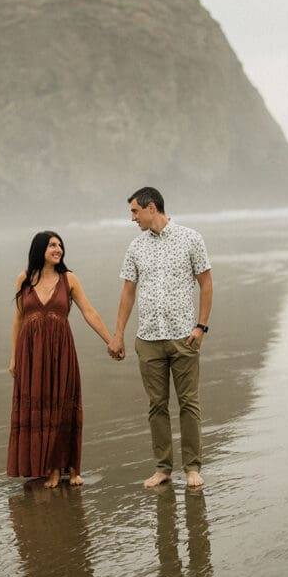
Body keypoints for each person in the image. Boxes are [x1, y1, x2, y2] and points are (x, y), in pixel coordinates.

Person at [107, 187, 213, 489]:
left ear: (151, 208)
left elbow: (206, 283)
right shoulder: (135, 248)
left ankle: (192, 467)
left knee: (189, 403)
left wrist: (201, 327)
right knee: (157, 405)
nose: (132, 218)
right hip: (149, 338)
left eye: (134, 211)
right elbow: (128, 293)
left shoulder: (191, 238)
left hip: (184, 337)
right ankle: (163, 468)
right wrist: (119, 335)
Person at [7, 230, 114, 488]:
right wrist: (14, 358)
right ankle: (45, 466)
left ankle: (66, 469)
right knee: (39, 408)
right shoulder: (25, 279)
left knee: (62, 406)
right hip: (31, 354)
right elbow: (18, 319)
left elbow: (89, 312)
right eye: (52, 245)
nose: (58, 249)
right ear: (39, 249)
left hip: (60, 352)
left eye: (60, 245)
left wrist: (110, 340)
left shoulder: (69, 279)